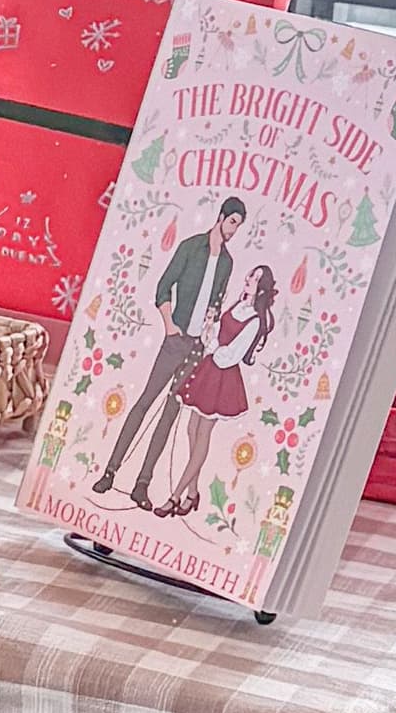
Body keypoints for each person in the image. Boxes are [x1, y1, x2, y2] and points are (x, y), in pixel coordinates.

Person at [96, 192, 250, 504]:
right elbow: (163, 287)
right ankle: (110, 471)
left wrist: (211, 324)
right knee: (145, 401)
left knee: (170, 414)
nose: (234, 230)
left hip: (197, 347)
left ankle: (143, 483)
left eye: (238, 226)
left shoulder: (228, 263)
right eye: (232, 222)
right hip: (175, 338)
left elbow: (217, 300)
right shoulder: (191, 247)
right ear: (221, 217)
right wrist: (169, 325)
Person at [143, 261, 275, 518]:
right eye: (251, 274)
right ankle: (193, 492)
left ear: (262, 288)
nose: (249, 279)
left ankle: (175, 495)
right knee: (191, 429)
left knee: (203, 432)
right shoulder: (237, 305)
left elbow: (231, 355)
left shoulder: (254, 320)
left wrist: (213, 344)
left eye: (255, 278)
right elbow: (214, 337)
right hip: (209, 369)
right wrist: (209, 328)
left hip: (223, 378)